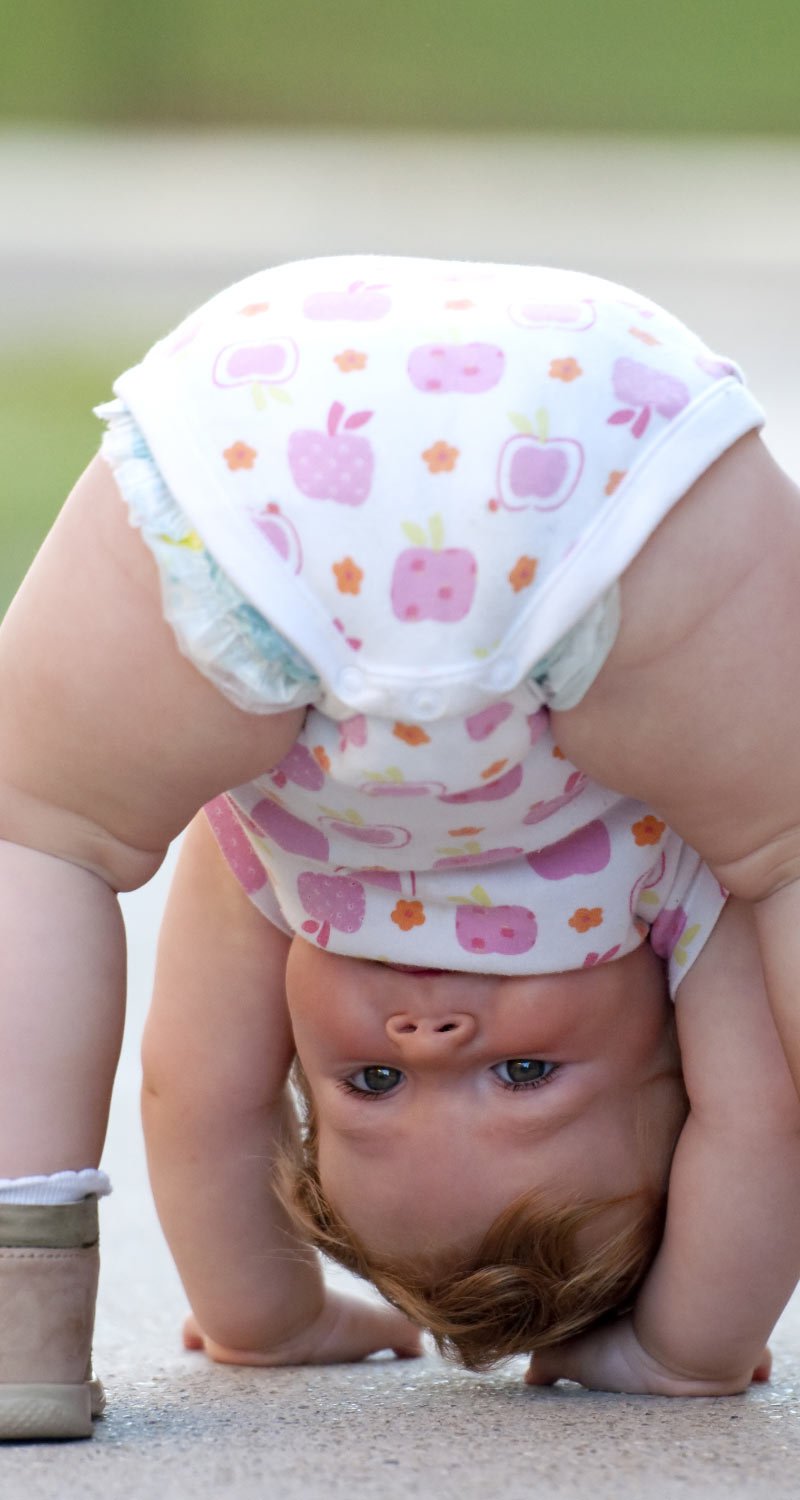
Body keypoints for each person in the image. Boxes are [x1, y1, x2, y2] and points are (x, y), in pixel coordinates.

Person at [1, 255, 799, 1441]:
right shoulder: (676, 890)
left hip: (262, 439)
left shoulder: (277, 882)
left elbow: (201, 1096)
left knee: (39, 829)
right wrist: (686, 1346)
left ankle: (20, 1308)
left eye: (369, 1085)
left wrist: (263, 1314)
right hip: (606, 482)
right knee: (782, 848)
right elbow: (764, 1119)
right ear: (671, 1051)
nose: (428, 1038)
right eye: (523, 1077)